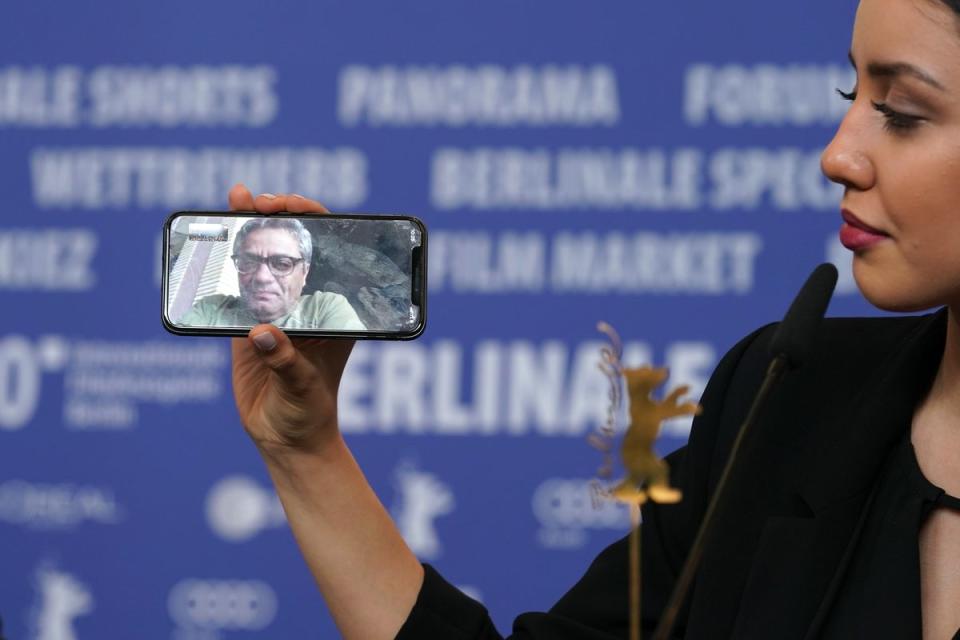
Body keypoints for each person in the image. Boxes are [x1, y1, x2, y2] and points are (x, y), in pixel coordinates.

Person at [227, 0, 960, 636]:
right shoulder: (783, 402)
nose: (838, 155)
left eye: (900, 112)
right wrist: (306, 450)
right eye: (851, 92)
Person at [178, 215, 366, 331]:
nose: (261, 277)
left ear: (304, 272)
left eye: (282, 264)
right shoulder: (212, 307)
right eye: (248, 262)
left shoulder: (324, 308)